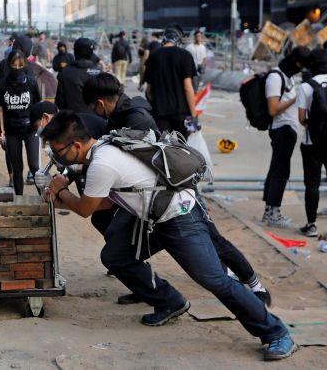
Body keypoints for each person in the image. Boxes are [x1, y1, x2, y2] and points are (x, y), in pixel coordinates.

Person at [40, 111, 296, 361]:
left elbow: (86, 209)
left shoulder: (102, 163)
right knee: (116, 256)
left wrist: (60, 191)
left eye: (59, 152)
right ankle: (170, 301)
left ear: (75, 145)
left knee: (215, 279)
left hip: (180, 216)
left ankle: (276, 331)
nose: (58, 158)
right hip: (153, 217)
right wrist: (62, 199)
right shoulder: (105, 145)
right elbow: (104, 203)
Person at [80, 73, 272, 305]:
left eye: (93, 108)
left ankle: (255, 284)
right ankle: (145, 285)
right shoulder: (119, 115)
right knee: (113, 231)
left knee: (213, 240)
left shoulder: (134, 119)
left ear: (100, 103)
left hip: (175, 190)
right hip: (149, 196)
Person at [262, 46, 310, 228]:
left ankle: (269, 211)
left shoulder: (287, 77)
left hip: (288, 130)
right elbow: (273, 109)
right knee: (281, 172)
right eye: (299, 64)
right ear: (292, 60)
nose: (300, 68)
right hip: (280, 130)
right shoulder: (275, 77)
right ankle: (273, 213)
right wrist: (295, 99)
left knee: (277, 169)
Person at [0, 50, 42, 195]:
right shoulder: (2, 84)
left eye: (20, 65)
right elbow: (0, 109)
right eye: (14, 65)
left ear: (25, 65)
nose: (17, 69)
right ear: (9, 65)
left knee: (34, 165)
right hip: (11, 131)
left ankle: (43, 197)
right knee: (17, 167)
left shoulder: (31, 82)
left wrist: (39, 126)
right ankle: (19, 198)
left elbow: (37, 105)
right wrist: (1, 131)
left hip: (30, 129)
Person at [144, 24, 197, 137]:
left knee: (163, 148)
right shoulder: (185, 55)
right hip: (182, 113)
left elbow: (148, 90)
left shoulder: (153, 56)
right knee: (183, 148)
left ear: (164, 38)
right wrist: (193, 117)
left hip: (159, 113)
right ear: (179, 39)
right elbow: (188, 88)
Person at [297, 47, 327, 237]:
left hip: (312, 143)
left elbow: (301, 118)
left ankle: (311, 225)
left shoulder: (307, 86)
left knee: (312, 184)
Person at [55, 38, 101, 114]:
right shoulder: (100, 72)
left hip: (72, 121)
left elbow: (60, 102)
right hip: (97, 120)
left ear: (75, 52)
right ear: (91, 53)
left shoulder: (65, 73)